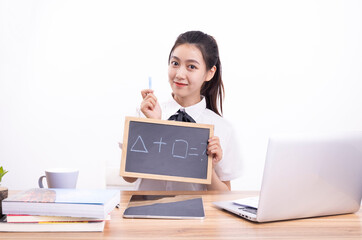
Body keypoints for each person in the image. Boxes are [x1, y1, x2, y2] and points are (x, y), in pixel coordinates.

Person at [123, 30, 242, 191]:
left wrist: (209, 168)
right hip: (147, 213)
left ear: (209, 73)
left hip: (196, 215)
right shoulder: (146, 113)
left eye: (191, 66)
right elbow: (129, 177)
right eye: (175, 63)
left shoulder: (222, 128)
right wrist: (152, 127)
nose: (179, 74)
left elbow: (225, 196)